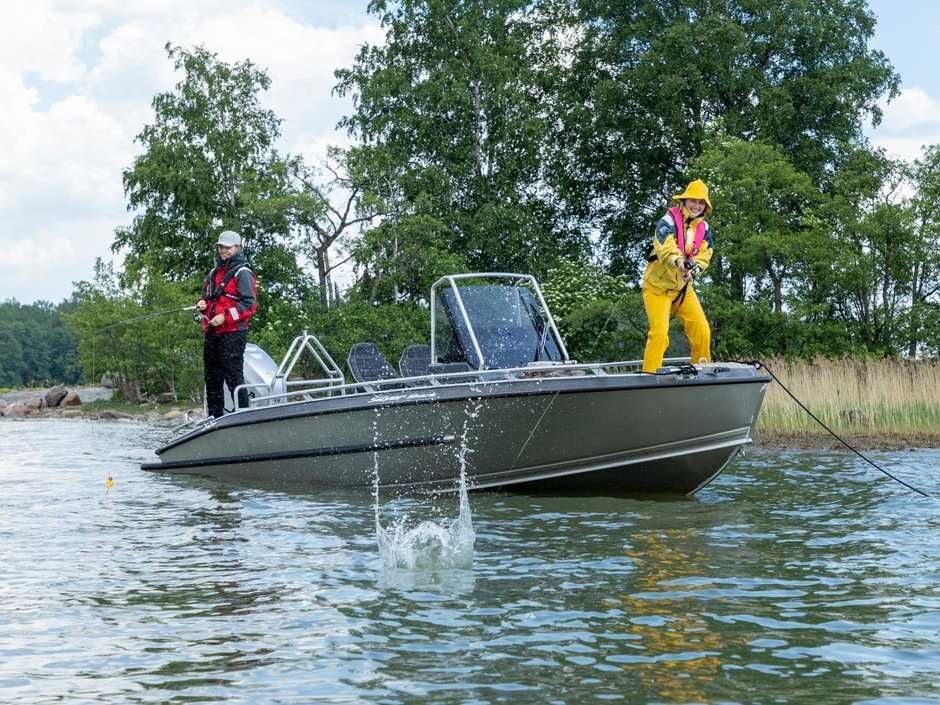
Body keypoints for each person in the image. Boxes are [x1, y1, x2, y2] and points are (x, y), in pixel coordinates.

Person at [641, 179, 714, 373]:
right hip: (657, 289)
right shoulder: (667, 221)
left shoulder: (705, 229)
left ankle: (701, 374)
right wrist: (679, 261)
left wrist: (694, 269)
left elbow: (705, 255)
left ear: (705, 207)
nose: (697, 206)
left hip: (682, 289)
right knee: (659, 334)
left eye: (701, 203)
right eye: (693, 201)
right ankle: (650, 377)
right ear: (684, 201)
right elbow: (666, 247)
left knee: (702, 331)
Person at [196, 230, 257, 418]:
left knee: (233, 377)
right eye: (221, 247)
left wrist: (224, 317)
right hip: (212, 333)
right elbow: (208, 297)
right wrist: (203, 304)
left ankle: (244, 417)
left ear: (237, 248)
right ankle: (215, 419)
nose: (223, 251)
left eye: (227, 247)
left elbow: (249, 304)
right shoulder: (214, 273)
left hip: (233, 333)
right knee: (212, 380)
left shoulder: (243, 273)